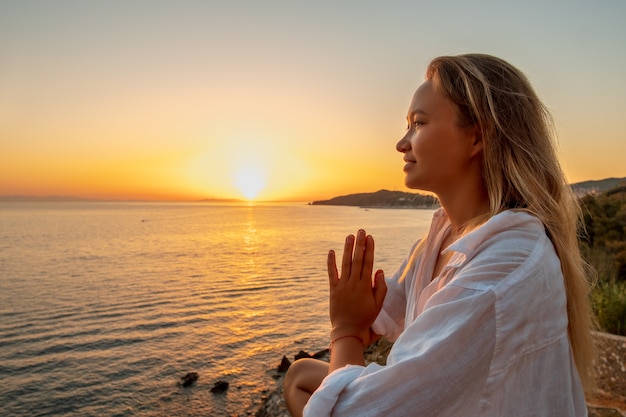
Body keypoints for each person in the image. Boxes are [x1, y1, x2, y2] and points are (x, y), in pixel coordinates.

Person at [283, 53, 595, 416]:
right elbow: (389, 310)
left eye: (418, 123)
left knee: (310, 388)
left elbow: (354, 405)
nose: (402, 143)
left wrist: (346, 330)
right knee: (301, 374)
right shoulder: (444, 235)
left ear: (477, 137)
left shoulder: (505, 267)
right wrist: (364, 318)